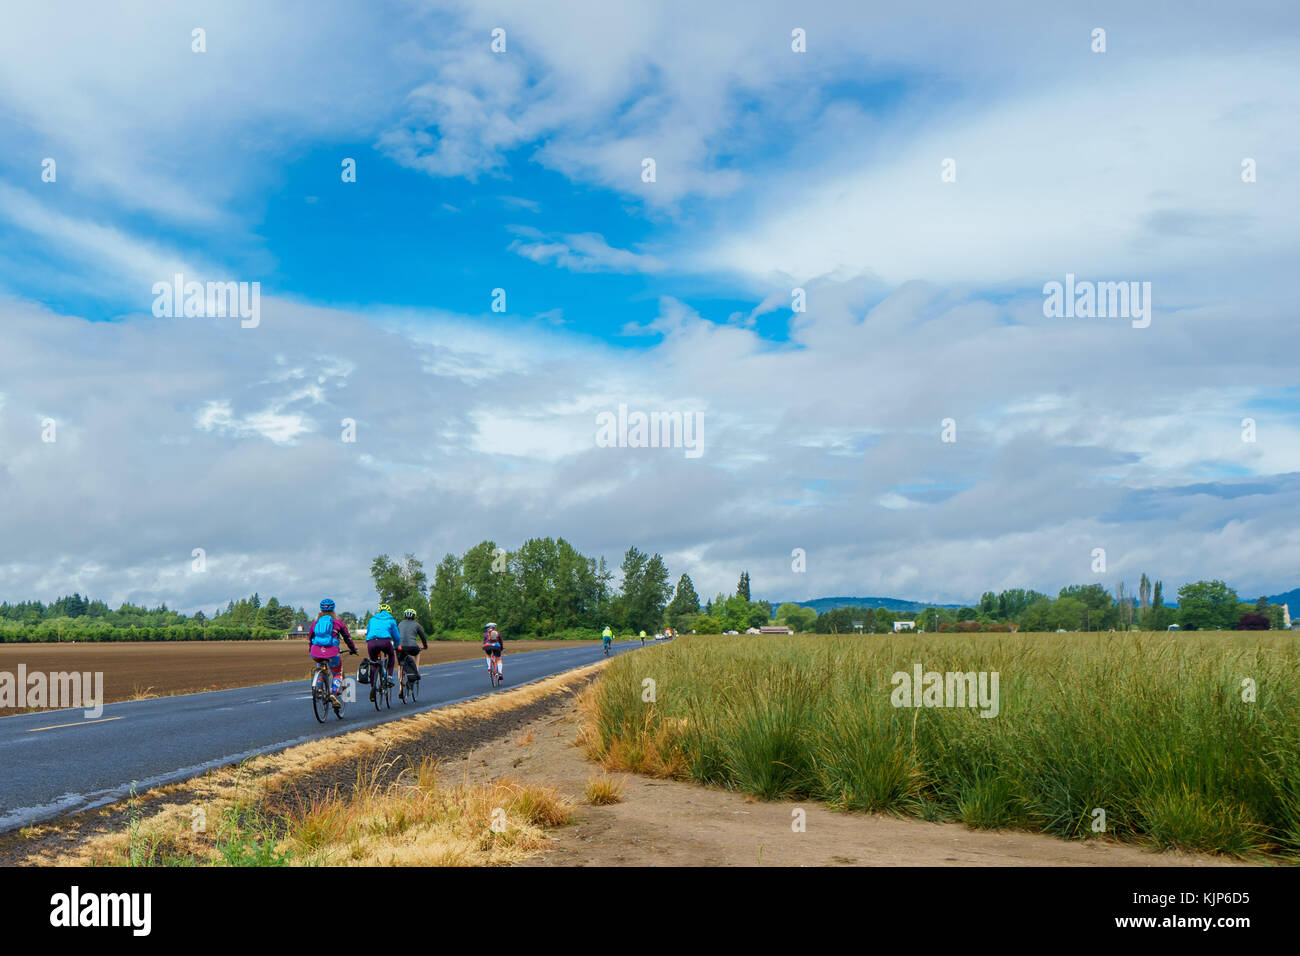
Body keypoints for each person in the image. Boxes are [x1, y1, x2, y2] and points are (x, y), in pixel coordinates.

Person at [308, 599, 357, 702]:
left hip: (316, 652)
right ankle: (333, 693)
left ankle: (319, 687)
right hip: (332, 652)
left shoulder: (315, 623)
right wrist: (353, 649)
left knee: (320, 666)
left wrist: (311, 651)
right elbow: (347, 638)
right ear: (333, 610)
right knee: (337, 672)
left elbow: (310, 639)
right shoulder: (338, 623)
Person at [365, 603, 401, 693]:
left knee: (373, 663)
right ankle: (389, 677)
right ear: (389, 612)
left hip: (371, 642)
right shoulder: (391, 620)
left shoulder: (372, 619)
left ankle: (373, 687)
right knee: (391, 656)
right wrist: (396, 647)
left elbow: (368, 631)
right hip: (384, 642)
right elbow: (397, 637)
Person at [397, 608, 428, 700]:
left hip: (400, 647)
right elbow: (423, 637)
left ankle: (400, 688)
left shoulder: (400, 624)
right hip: (413, 647)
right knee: (417, 653)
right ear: (414, 616)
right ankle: (416, 671)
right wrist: (425, 646)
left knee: (400, 666)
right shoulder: (417, 625)